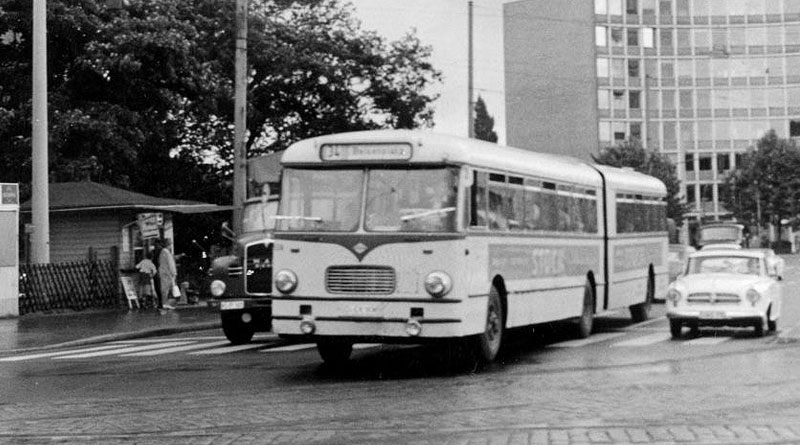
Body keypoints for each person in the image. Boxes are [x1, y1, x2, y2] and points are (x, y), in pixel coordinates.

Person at [156, 238, 177, 310]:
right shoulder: (167, 252)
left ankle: (165, 303)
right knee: (166, 289)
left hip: (163, 272)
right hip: (167, 273)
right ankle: (165, 303)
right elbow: (171, 264)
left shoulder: (162, 252)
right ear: (168, 245)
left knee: (164, 289)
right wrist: (173, 273)